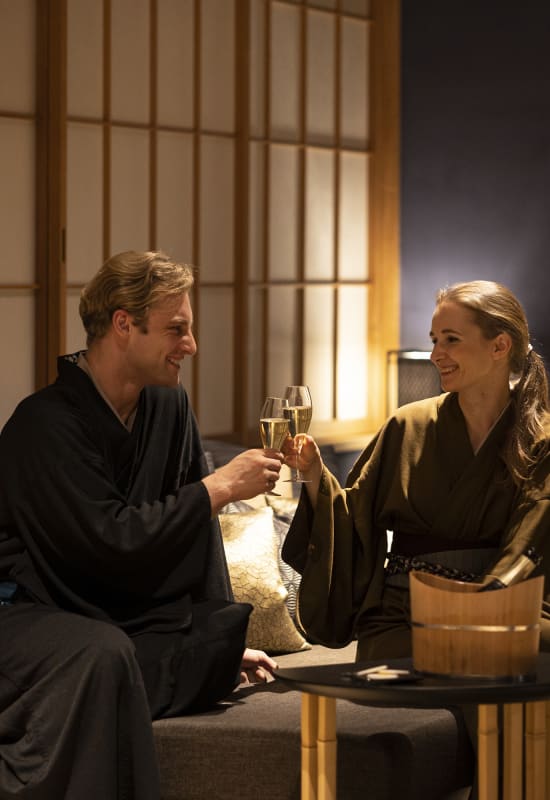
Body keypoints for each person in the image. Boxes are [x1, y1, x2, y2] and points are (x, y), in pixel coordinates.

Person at [0, 250, 282, 799]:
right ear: (124, 325)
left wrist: (214, 635)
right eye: (177, 329)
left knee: (214, 639)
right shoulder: (44, 425)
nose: (191, 346)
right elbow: (108, 543)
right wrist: (220, 486)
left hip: (110, 609)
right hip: (30, 607)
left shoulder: (167, 406)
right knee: (104, 655)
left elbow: (192, 534)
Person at [282, 279, 550, 661]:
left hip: (501, 609)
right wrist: (313, 476)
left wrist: (477, 606)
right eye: (434, 340)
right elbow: (352, 519)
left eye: (451, 339)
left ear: (500, 345)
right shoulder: (407, 426)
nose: (435, 354)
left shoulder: (540, 440)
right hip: (404, 615)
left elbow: (531, 545)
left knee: (520, 655)